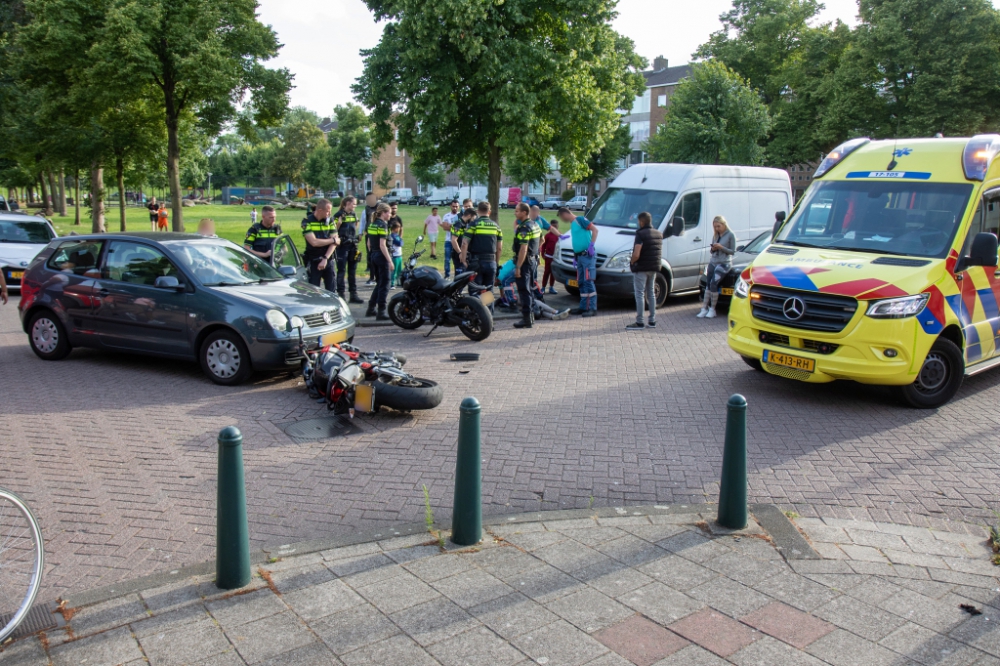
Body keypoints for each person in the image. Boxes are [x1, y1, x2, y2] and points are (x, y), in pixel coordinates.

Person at [460, 201, 503, 308]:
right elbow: (499, 248)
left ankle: (476, 317)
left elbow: (465, 243)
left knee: (475, 290)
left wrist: (463, 259)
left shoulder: (473, 225)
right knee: (488, 291)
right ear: (489, 211)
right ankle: (488, 319)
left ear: (478, 211)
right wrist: (496, 263)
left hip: (476, 263)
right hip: (491, 261)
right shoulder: (496, 227)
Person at [558, 207, 598, 316]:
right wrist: (576, 256)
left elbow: (595, 230)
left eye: (562, 217)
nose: (563, 220)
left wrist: (591, 245)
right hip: (580, 256)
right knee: (581, 282)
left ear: (565, 214)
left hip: (587, 256)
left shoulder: (580, 220)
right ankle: (583, 307)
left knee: (588, 281)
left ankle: (592, 308)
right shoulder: (572, 224)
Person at [627, 211, 663, 330]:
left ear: (641, 222)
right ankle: (652, 320)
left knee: (639, 294)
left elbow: (637, 253)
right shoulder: (658, 233)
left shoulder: (640, 234)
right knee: (651, 293)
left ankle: (640, 321)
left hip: (642, 267)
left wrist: (632, 262)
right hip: (654, 267)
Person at [698, 215, 736, 319]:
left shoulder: (730, 235)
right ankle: (704, 308)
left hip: (724, 263)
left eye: (718, 226)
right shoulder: (716, 235)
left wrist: (721, 247)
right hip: (713, 261)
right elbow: (712, 250)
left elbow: (732, 251)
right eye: (715, 227)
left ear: (724, 224)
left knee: (714, 282)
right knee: (708, 284)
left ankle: (712, 309)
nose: (717, 229)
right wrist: (713, 249)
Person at [511, 202, 541, 329]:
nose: (515, 213)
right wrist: (536, 254)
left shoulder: (524, 228)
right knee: (529, 289)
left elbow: (523, 249)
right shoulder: (535, 225)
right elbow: (542, 240)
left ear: (524, 212)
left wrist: (518, 267)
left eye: (517, 211)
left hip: (524, 262)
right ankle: (531, 317)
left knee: (524, 290)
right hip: (532, 260)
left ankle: (526, 318)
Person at [302, 198, 339, 292]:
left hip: (328, 259)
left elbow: (336, 242)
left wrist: (325, 258)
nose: (329, 214)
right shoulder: (307, 222)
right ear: (320, 210)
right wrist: (332, 240)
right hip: (314, 261)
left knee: (332, 291)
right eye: (328, 211)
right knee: (313, 292)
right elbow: (314, 242)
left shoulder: (330, 221)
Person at [332, 196, 365, 303]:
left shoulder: (353, 214)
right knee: (341, 271)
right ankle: (341, 295)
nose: (355, 206)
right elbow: (333, 231)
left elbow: (355, 225)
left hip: (352, 246)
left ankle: (353, 295)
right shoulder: (338, 215)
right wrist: (339, 223)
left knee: (352, 271)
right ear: (347, 203)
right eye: (353, 204)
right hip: (342, 247)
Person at [365, 203, 393, 320]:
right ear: (383, 213)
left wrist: (372, 255)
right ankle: (381, 311)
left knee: (379, 283)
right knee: (385, 284)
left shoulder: (372, 224)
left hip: (374, 255)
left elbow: (368, 243)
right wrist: (390, 261)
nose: (390, 215)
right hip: (381, 256)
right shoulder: (382, 225)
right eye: (389, 213)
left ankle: (371, 308)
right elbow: (383, 245)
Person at [451, 207, 476, 275]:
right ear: (469, 216)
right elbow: (453, 240)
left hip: (466, 255)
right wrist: (460, 253)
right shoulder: (458, 224)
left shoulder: (466, 224)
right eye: (473, 217)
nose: (474, 219)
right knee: (460, 278)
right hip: (459, 255)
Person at [440, 201, 461, 278]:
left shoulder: (460, 216)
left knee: (458, 259)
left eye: (456, 206)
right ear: (450, 206)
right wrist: (455, 227)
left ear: (458, 207)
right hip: (448, 240)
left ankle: (458, 275)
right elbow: (445, 227)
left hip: (458, 241)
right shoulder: (446, 216)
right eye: (453, 206)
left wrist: (450, 226)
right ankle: (447, 275)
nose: (455, 208)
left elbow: (461, 228)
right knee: (447, 259)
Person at [540, 219, 560, 294]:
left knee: (553, 273)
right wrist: (542, 254)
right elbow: (543, 245)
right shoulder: (548, 236)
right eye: (553, 226)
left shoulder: (559, 235)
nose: (555, 227)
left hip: (556, 257)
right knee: (546, 272)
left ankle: (551, 287)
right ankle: (543, 287)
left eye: (556, 225)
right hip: (548, 257)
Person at [363, 193, 378, 285]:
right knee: (370, 255)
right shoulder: (367, 208)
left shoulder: (380, 207)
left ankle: (378, 277)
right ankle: (372, 277)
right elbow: (367, 220)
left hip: (377, 233)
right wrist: (365, 230)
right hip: (369, 233)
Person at [389, 221, 404, 288]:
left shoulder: (397, 235)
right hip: (395, 256)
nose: (399, 229)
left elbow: (401, 242)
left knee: (399, 270)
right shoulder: (392, 236)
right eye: (398, 228)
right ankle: (392, 283)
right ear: (395, 228)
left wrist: (401, 238)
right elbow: (400, 243)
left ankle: (399, 282)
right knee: (394, 271)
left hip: (399, 255)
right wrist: (401, 240)